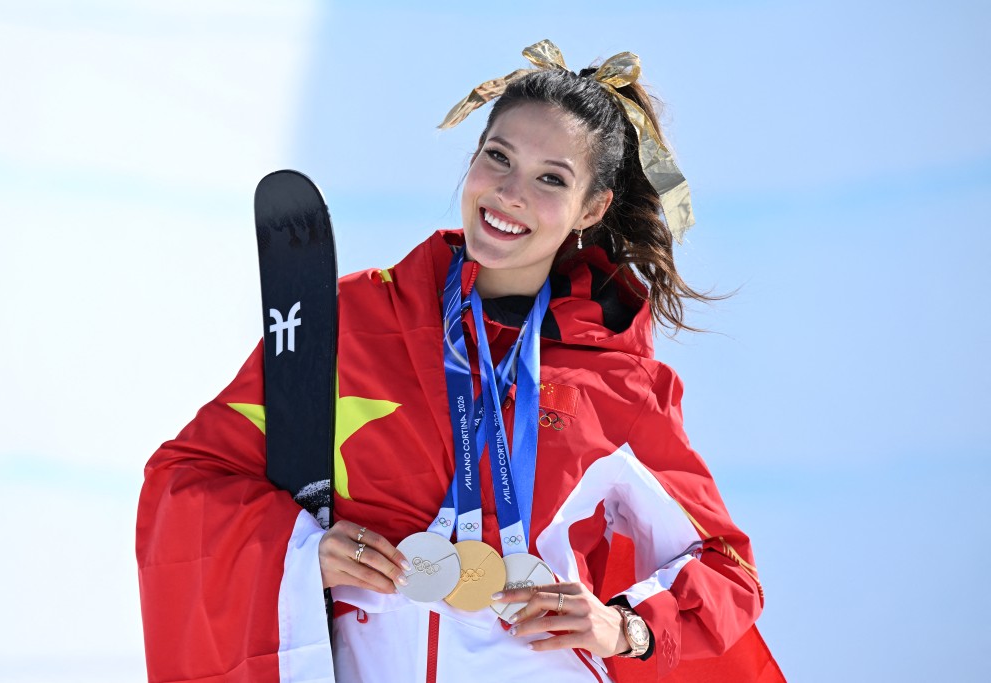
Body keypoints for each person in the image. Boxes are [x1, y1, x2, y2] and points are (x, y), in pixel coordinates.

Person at [136, 40, 784, 683]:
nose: (510, 193)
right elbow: (188, 481)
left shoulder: (616, 378)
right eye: (497, 157)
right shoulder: (353, 324)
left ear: (592, 208)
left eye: (551, 178)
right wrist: (303, 552)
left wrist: (625, 627)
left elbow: (727, 567)